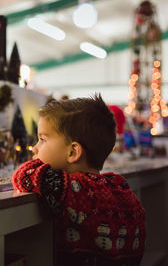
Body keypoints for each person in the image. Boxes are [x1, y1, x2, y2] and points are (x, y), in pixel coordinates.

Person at [12, 95, 145, 266]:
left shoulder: (72, 189)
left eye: (43, 139)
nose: (35, 148)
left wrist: (38, 163)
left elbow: (25, 175)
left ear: (73, 152)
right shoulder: (118, 186)